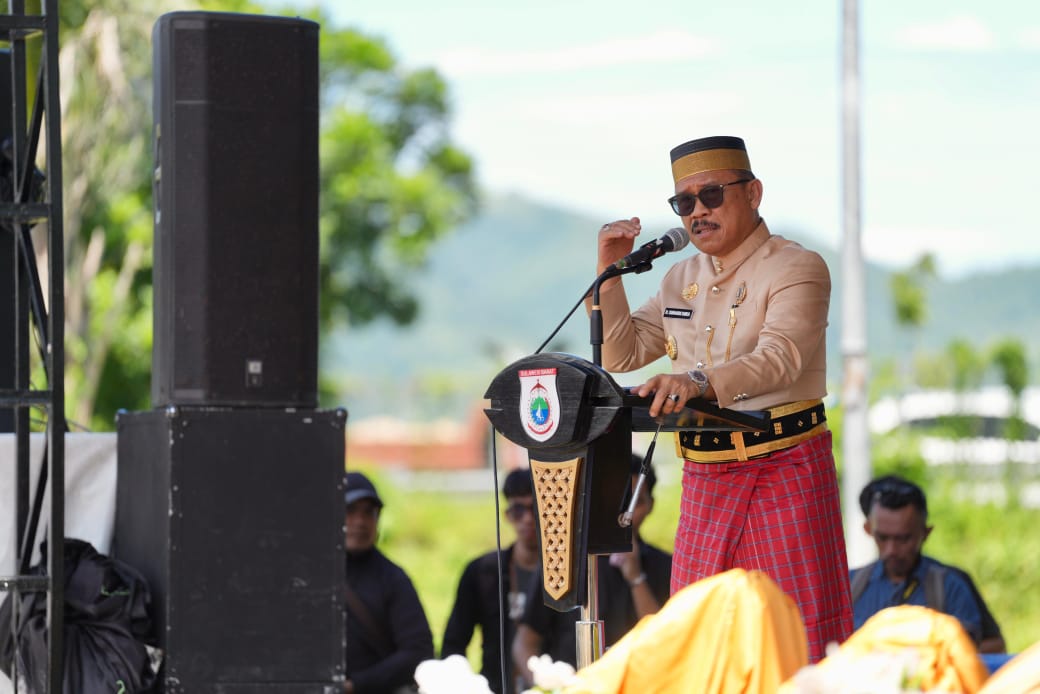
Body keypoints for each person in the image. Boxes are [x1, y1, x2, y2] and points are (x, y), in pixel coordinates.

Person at [593, 135, 851, 661]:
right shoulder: (679, 278)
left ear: (753, 192)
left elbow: (781, 358)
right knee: (702, 642)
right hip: (705, 480)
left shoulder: (796, 266)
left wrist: (697, 381)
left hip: (783, 471)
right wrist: (610, 271)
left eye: (710, 194)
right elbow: (621, 353)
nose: (698, 212)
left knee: (796, 639)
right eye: (684, 203)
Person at [511, 455, 672, 686]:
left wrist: (636, 578)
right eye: (619, 500)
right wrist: (551, 686)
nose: (624, 513)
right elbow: (525, 643)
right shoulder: (566, 559)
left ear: (650, 505)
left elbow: (665, 642)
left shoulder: (666, 565)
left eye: (635, 502)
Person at [850, 474, 1005, 653]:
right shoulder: (850, 586)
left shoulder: (950, 585)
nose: (891, 549)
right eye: (883, 538)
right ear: (868, 530)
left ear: (926, 532)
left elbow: (994, 647)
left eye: (903, 539)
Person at [441, 468, 541, 694]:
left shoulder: (570, 573)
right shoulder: (483, 572)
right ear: (507, 515)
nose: (527, 519)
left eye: (536, 509)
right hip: (496, 686)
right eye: (518, 510)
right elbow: (454, 643)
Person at [343, 471, 434, 693]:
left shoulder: (393, 579)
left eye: (369, 513)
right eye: (350, 511)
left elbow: (418, 651)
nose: (360, 521)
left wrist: (355, 686)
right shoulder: (310, 576)